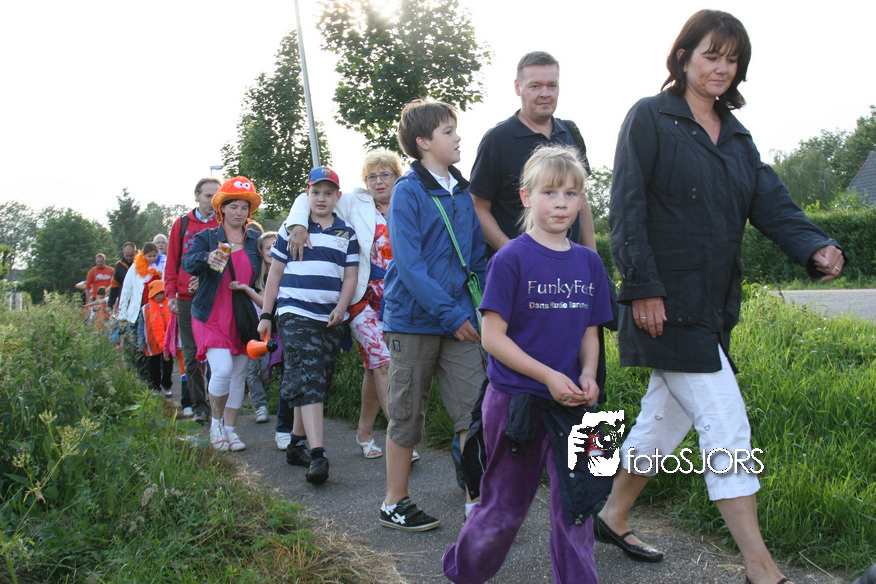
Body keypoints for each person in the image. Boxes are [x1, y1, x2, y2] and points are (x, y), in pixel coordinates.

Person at [599, 11, 845, 584]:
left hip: (712, 308)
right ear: (683, 57)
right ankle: (762, 569)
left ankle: (610, 514)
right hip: (664, 307)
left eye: (732, 59)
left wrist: (816, 246)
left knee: (663, 423)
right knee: (727, 428)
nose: (722, 68)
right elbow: (626, 206)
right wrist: (642, 287)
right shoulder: (650, 117)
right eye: (711, 55)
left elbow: (772, 204)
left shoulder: (737, 137)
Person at [443, 145, 613, 584]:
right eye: (549, 192)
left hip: (577, 406)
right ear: (525, 197)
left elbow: (590, 330)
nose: (561, 203)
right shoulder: (510, 259)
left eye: (571, 194)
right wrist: (548, 375)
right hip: (516, 403)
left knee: (579, 508)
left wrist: (588, 374)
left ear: (582, 201)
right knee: (504, 508)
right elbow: (492, 337)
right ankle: (463, 573)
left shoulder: (590, 262)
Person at [379, 98, 487, 531]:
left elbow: (476, 259)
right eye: (448, 131)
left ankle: (477, 506)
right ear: (423, 142)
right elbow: (410, 266)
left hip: (460, 321)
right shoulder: (407, 191)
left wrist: (476, 311)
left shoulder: (463, 191)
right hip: (415, 321)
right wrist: (451, 315)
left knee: (474, 414)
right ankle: (394, 502)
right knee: (406, 414)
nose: (458, 138)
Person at [285, 149, 411, 461]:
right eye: (372, 176)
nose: (378, 182)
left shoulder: (409, 200)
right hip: (363, 298)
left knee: (373, 367)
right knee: (384, 364)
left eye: (385, 175)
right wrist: (297, 225)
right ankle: (401, 440)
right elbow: (307, 197)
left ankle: (364, 433)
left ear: (397, 177)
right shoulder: (357, 202)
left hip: (400, 299)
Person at [258, 166, 359, 485]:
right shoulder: (292, 228)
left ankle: (296, 443)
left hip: (329, 317)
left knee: (317, 378)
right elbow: (274, 274)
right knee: (310, 375)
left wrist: (341, 308)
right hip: (294, 311)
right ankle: (318, 454)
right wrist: (266, 315)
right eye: (316, 192)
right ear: (307, 194)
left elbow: (350, 276)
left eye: (328, 193)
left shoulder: (346, 232)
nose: (321, 199)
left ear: (337, 197)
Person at [470, 51, 595, 258]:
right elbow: (478, 206)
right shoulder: (497, 139)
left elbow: (582, 202)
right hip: (518, 271)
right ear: (517, 87)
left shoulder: (570, 133)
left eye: (552, 85)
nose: (545, 93)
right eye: (535, 86)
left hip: (570, 266)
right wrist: (514, 254)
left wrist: (592, 260)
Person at [183, 176, 262, 452]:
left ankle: (230, 430)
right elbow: (188, 263)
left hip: (242, 316)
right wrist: (206, 258)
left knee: (239, 374)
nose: (239, 212)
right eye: (233, 206)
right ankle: (216, 425)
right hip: (211, 314)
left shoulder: (254, 240)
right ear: (222, 209)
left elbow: (270, 266)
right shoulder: (207, 237)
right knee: (223, 370)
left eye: (244, 207)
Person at [165, 178, 221, 423]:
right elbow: (172, 261)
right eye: (208, 196)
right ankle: (200, 406)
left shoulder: (223, 223)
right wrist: (171, 294)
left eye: (216, 196)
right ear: (197, 196)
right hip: (186, 299)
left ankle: (219, 406)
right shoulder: (183, 224)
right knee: (190, 355)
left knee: (218, 353)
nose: (212, 201)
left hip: (216, 297)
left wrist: (206, 279)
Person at [230, 230, 277, 424]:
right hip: (252, 328)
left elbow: (267, 303)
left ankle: (261, 394)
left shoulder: (284, 273)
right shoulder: (257, 276)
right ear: (260, 252)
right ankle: (260, 406)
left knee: (265, 370)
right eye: (267, 248)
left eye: (275, 246)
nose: (271, 251)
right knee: (251, 370)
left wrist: (247, 290)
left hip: (272, 330)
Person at [143, 279, 173, 397]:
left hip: (168, 342)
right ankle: (155, 386)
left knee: (168, 366)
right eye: (157, 293)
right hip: (152, 342)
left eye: (162, 293)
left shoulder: (170, 305)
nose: (160, 296)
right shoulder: (145, 308)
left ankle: (167, 386)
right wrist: (140, 342)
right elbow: (141, 326)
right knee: (153, 366)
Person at [108, 242, 136, 313]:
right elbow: (114, 286)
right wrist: (110, 305)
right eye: (127, 256)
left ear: (135, 252)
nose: (129, 258)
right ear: (123, 253)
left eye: (131, 256)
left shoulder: (140, 263)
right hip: (124, 298)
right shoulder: (119, 266)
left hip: (137, 298)